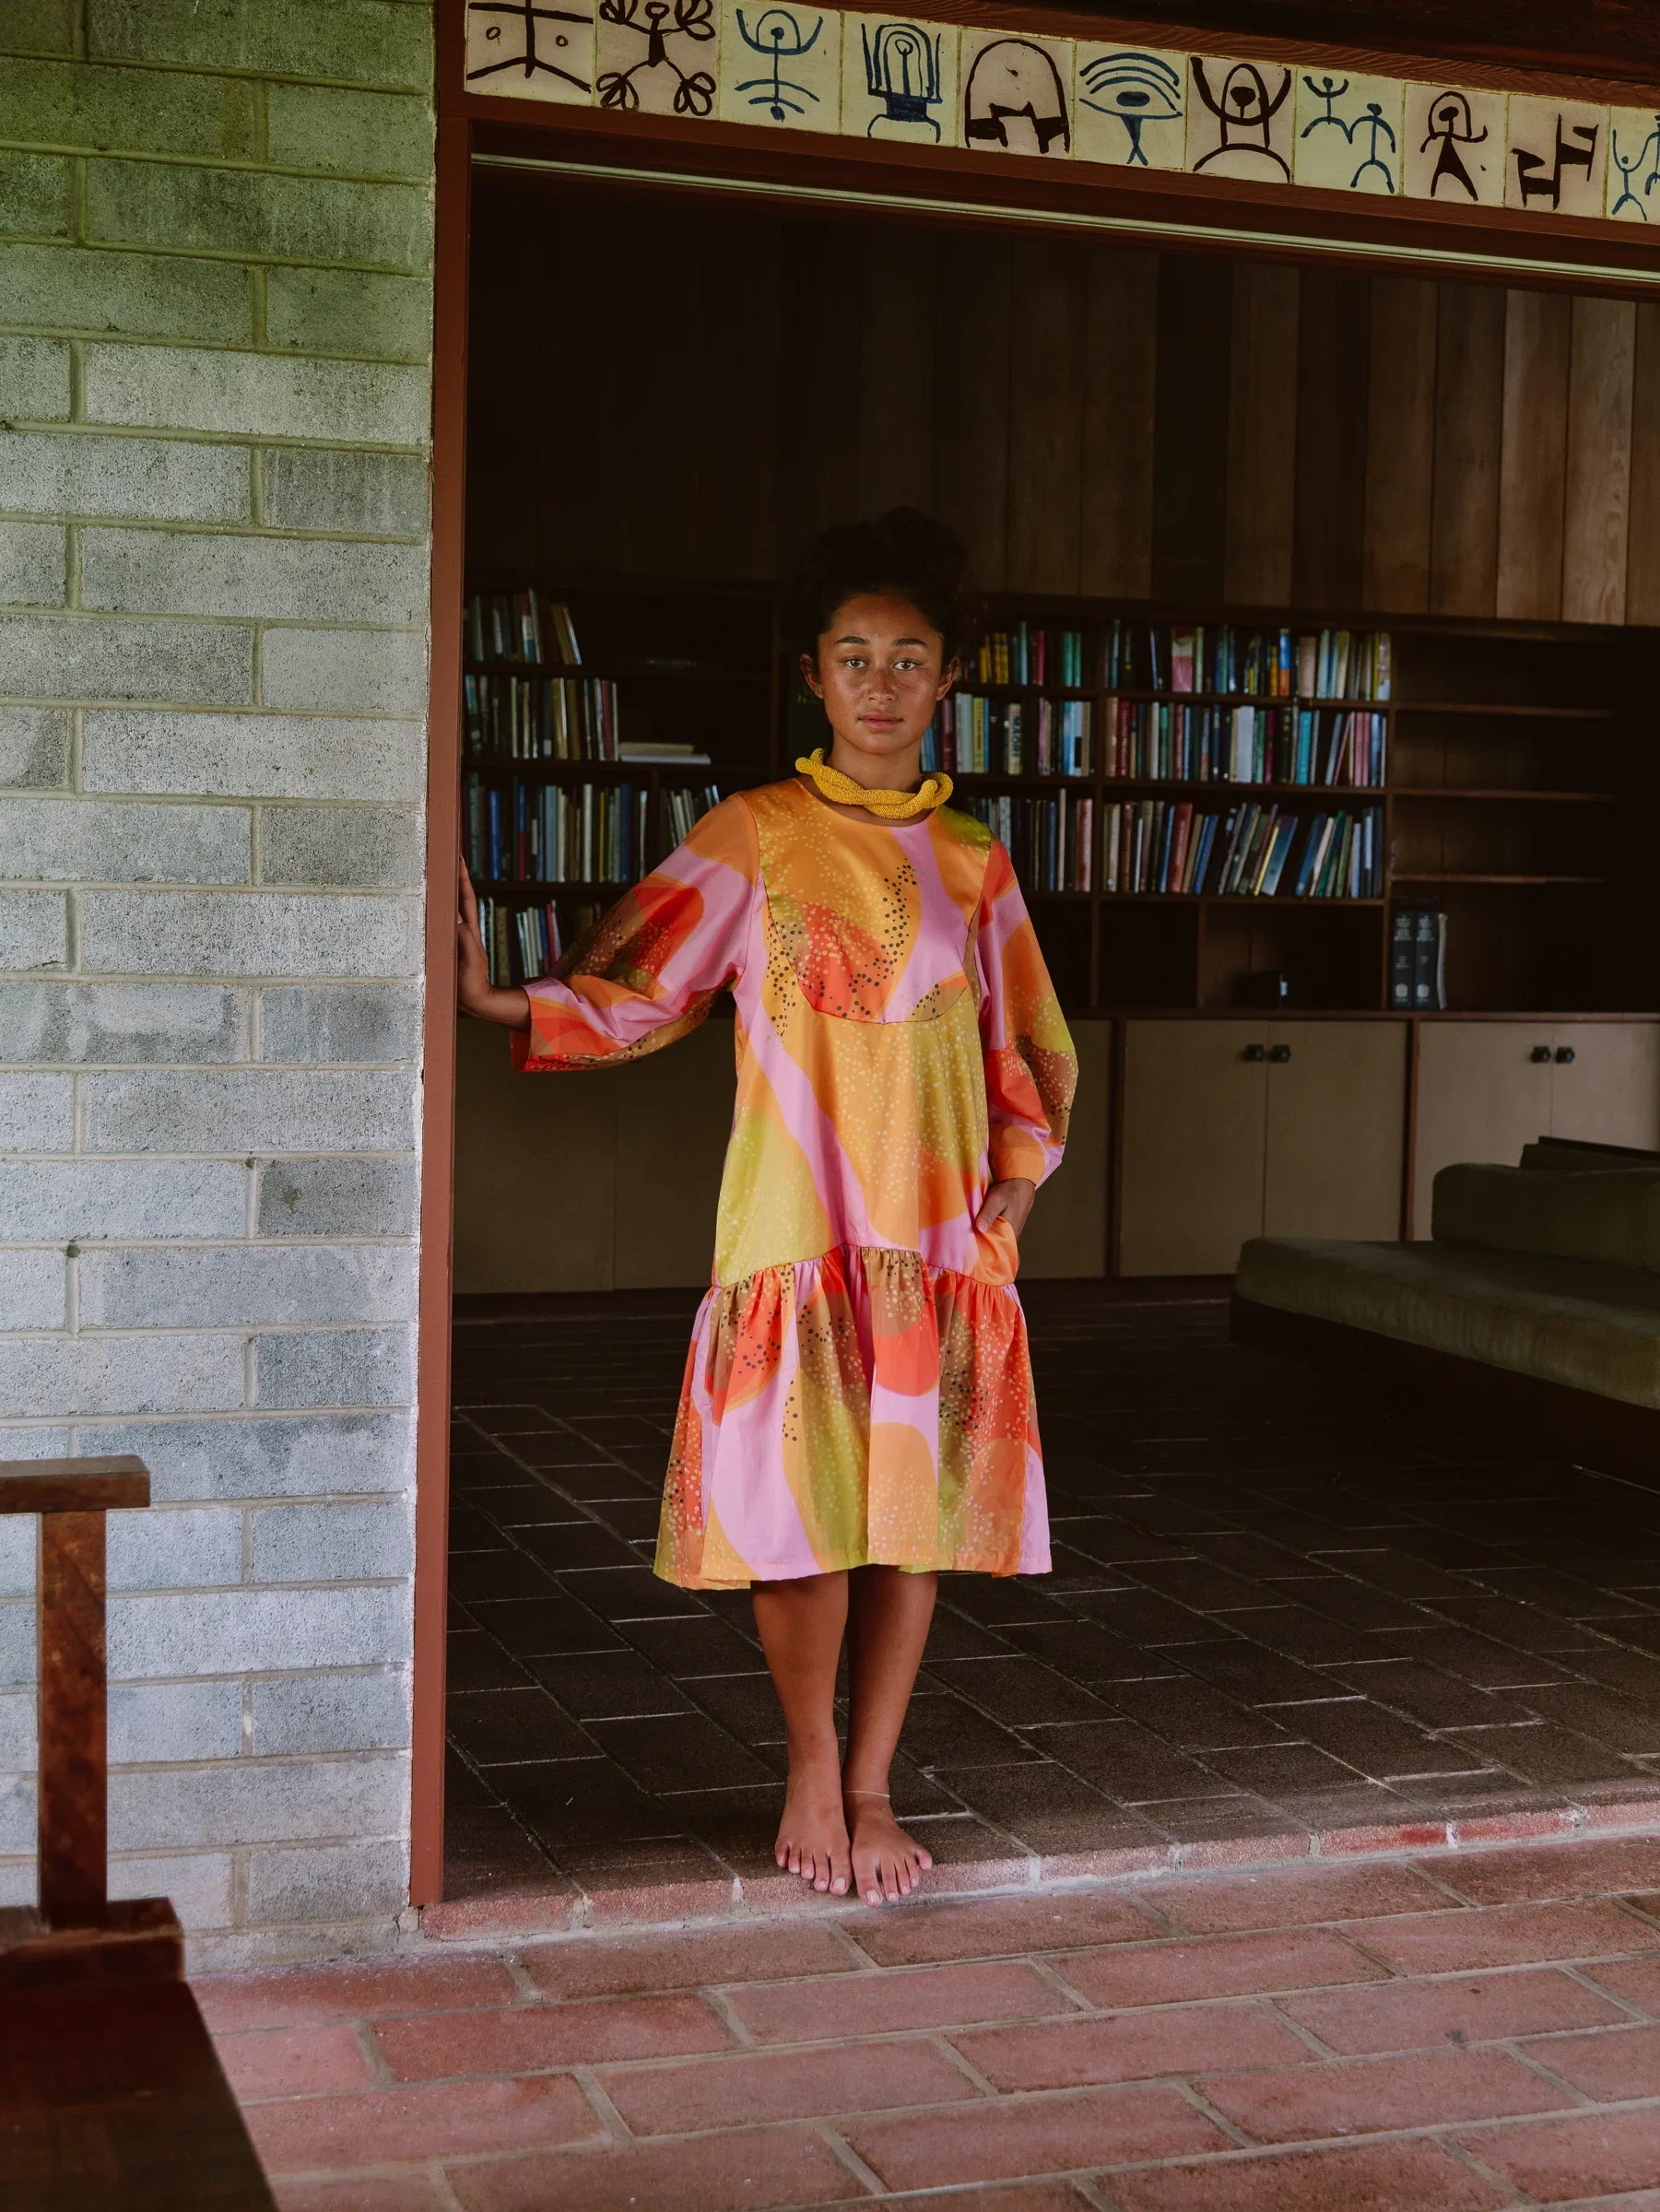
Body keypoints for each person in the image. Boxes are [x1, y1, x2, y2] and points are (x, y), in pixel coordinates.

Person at [457, 510, 1077, 1908]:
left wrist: (1012, 1203)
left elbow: (1027, 1047)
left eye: (905, 659)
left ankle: (873, 1784)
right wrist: (500, 998)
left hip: (931, 1236)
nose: (877, 681)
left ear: (944, 681)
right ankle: (807, 1769)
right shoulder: (753, 833)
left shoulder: (974, 860)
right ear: (813, 675)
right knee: (800, 1514)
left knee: (903, 1525)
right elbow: (643, 985)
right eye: (851, 656)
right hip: (794, 1222)